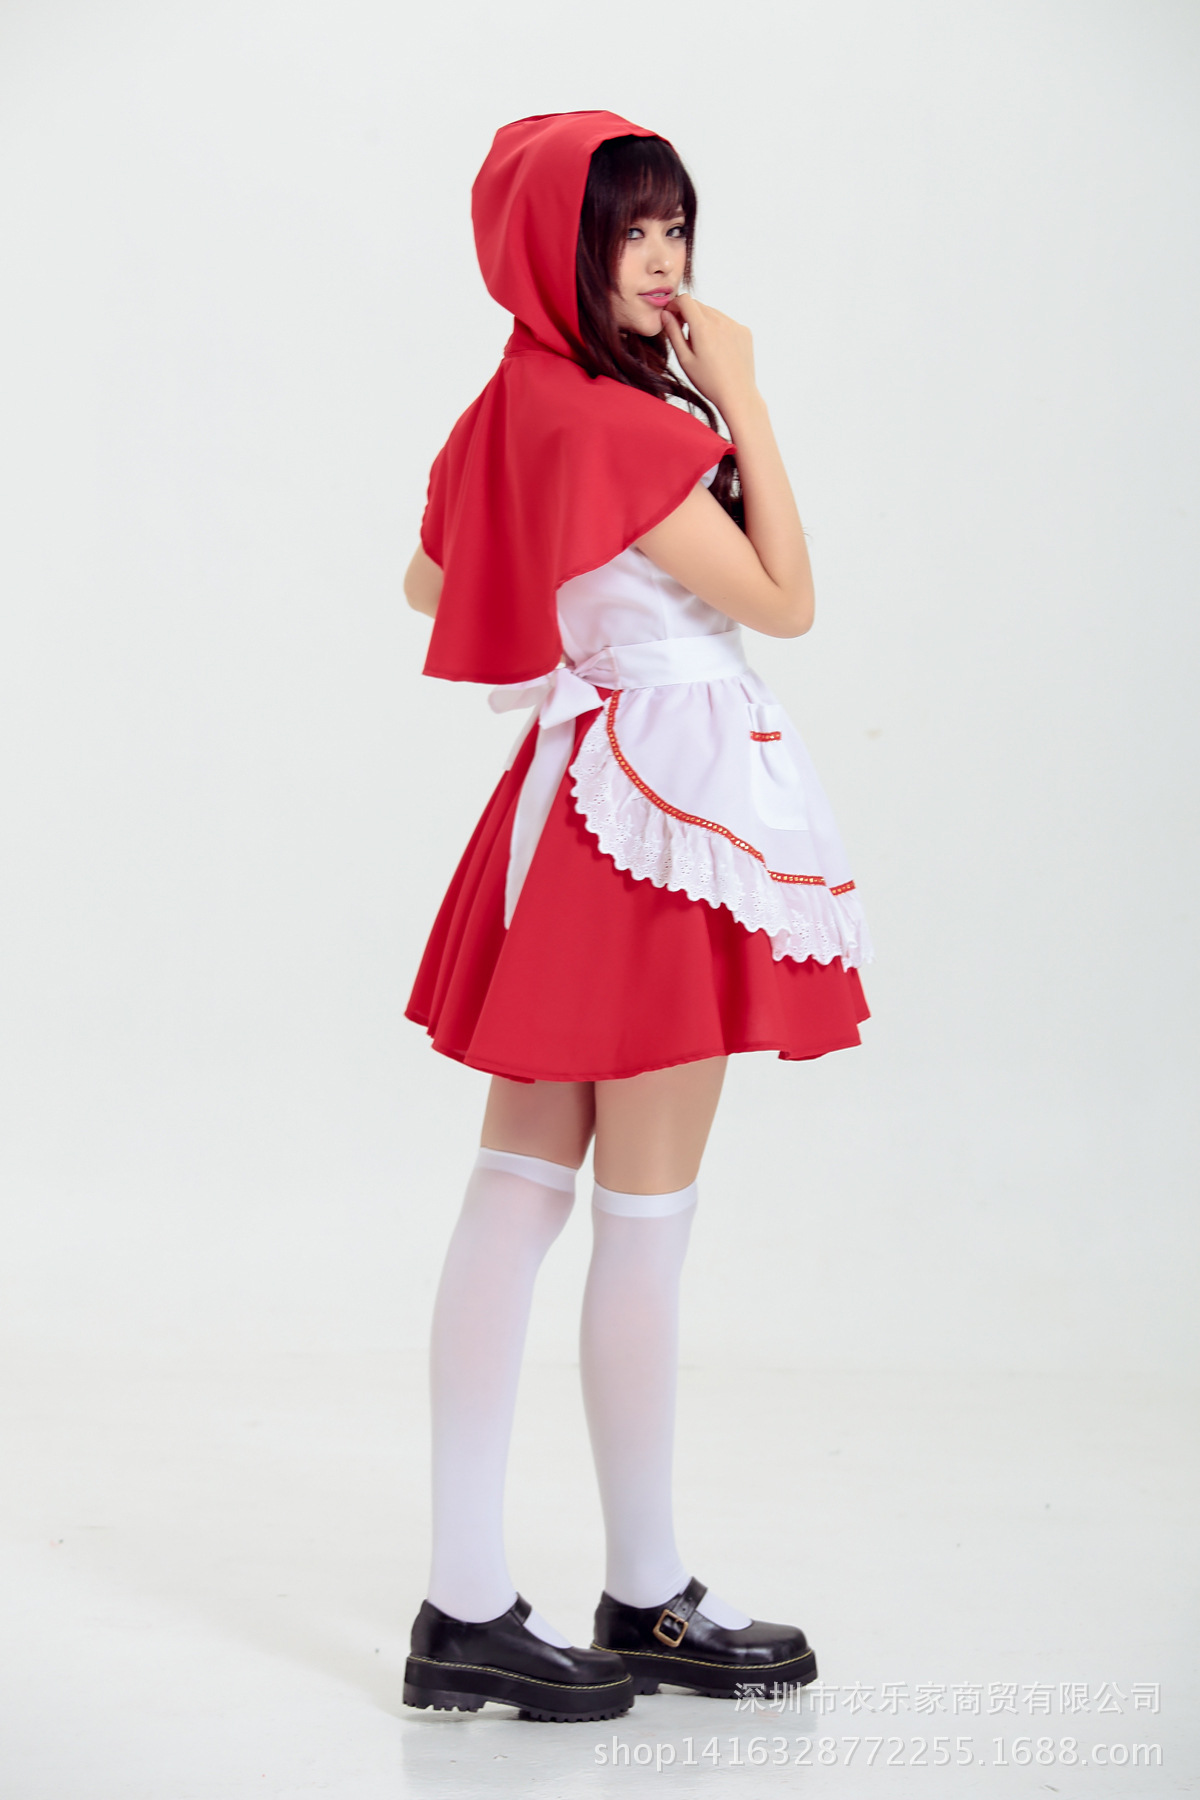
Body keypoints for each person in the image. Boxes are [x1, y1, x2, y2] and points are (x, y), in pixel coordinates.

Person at [400, 112, 872, 1724]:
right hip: (663, 818)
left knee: (519, 1189)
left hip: (573, 809)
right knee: (643, 1213)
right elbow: (786, 601)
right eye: (628, 233)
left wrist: (575, 589)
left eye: (676, 228)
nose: (663, 262)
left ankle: (466, 1605)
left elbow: (430, 582)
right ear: (563, 250)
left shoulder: (513, 404)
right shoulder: (623, 421)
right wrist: (745, 397)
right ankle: (646, 1591)